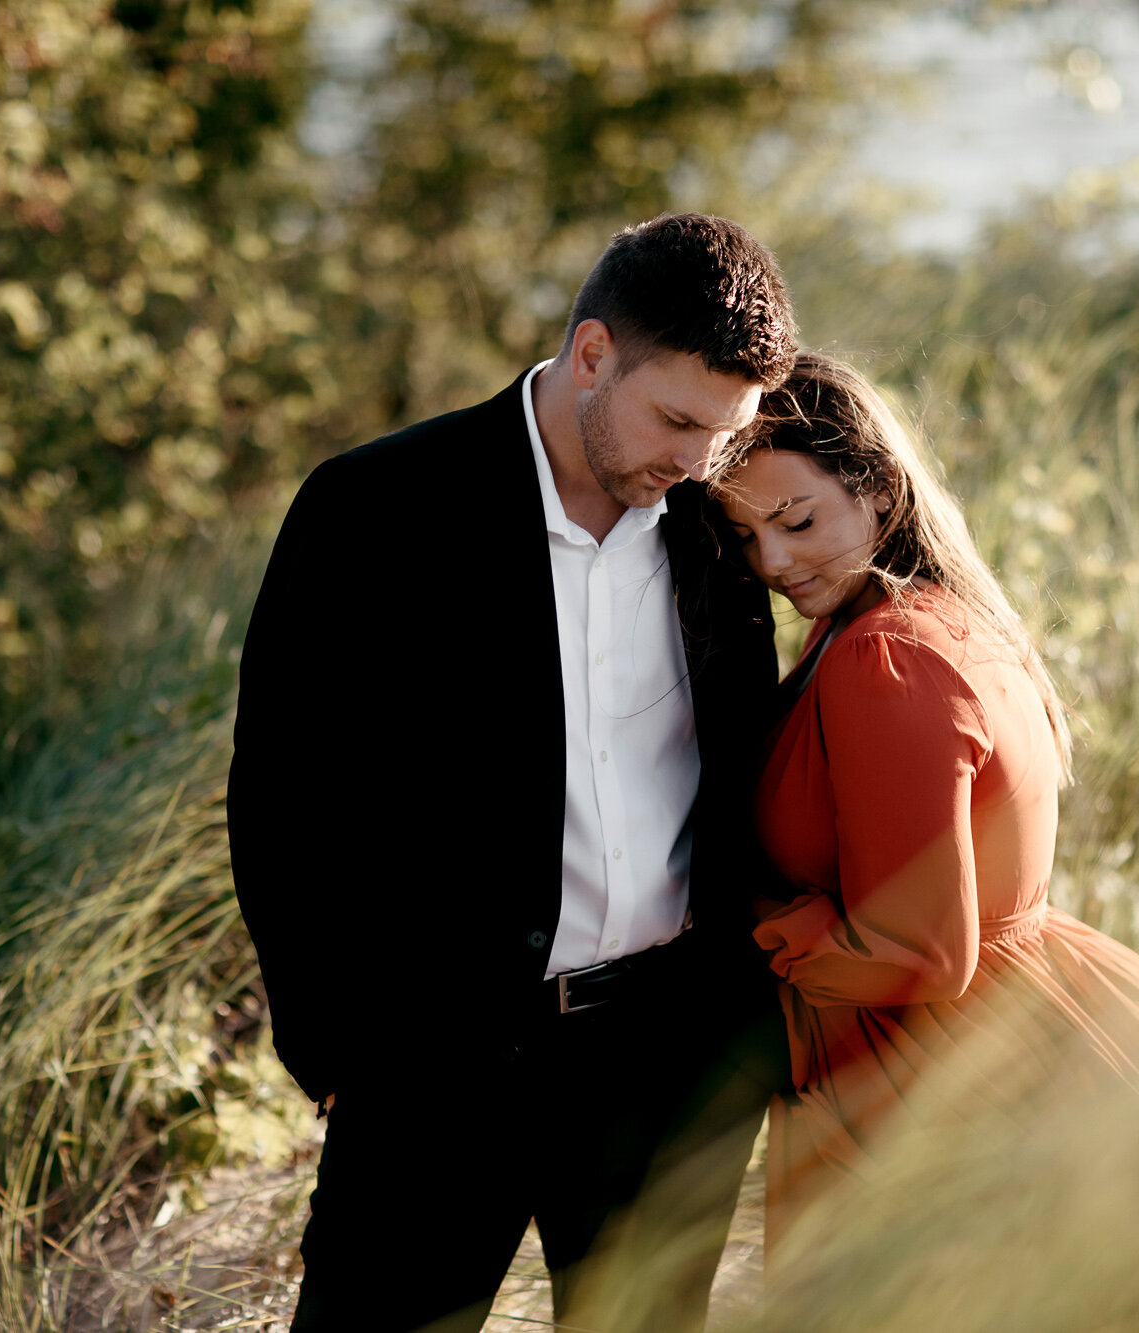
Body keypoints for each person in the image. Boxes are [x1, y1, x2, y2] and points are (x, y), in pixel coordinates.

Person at [227, 215, 797, 1333]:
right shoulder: (373, 508)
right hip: (434, 1067)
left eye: (718, 433)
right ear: (591, 355)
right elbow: (282, 797)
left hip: (663, 1064)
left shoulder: (715, 525)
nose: (691, 459)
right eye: (675, 417)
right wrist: (335, 1047)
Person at [709, 351, 1139, 1245]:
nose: (774, 562)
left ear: (874, 487)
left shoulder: (884, 655)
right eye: (748, 538)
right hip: (1023, 1018)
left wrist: (761, 928)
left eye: (796, 520)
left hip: (936, 1073)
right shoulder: (936, 615)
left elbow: (919, 950)